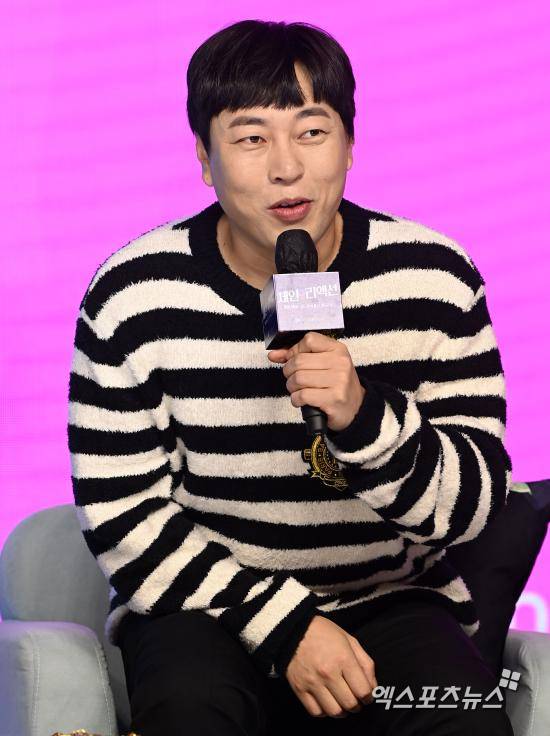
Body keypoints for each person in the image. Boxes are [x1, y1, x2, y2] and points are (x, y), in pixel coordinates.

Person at [67, 19, 515, 735]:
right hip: (208, 606)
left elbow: (472, 510)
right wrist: (288, 626)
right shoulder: (133, 294)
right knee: (190, 709)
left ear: (350, 143)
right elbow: (123, 515)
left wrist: (363, 417)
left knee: (464, 718)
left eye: (312, 131)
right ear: (205, 158)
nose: (286, 168)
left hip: (389, 599)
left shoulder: (435, 278)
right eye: (251, 138)